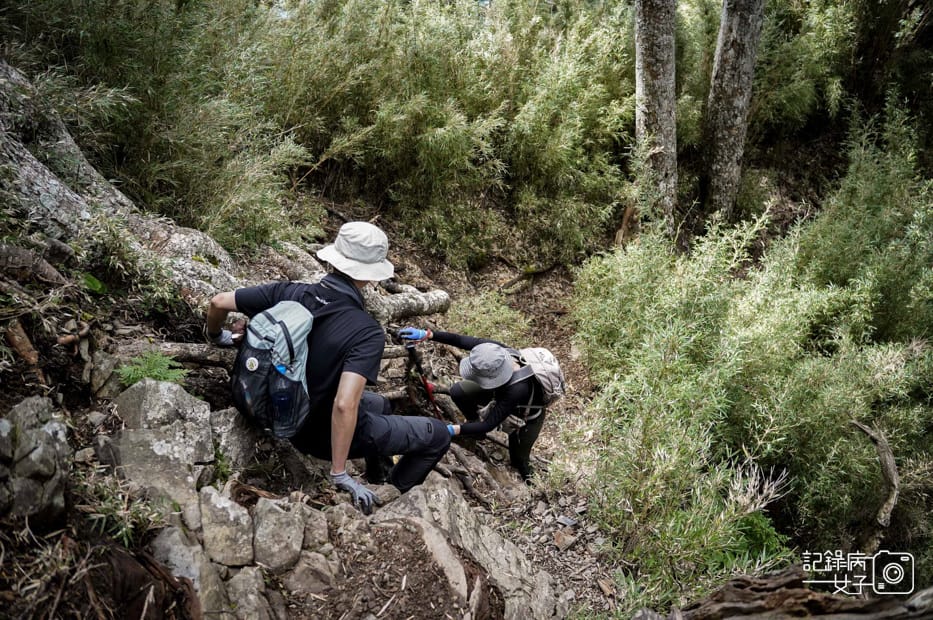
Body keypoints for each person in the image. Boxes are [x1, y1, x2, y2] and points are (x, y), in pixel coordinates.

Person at [206, 222, 451, 514]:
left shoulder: (289, 292)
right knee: (437, 434)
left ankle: (377, 475)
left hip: (273, 403)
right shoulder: (365, 332)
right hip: (313, 435)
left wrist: (216, 336)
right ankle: (389, 502)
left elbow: (218, 302)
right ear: (369, 277)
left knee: (381, 404)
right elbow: (345, 405)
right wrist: (340, 473)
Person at [398, 327, 546, 483]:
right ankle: (475, 430)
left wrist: (451, 429)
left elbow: (489, 424)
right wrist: (428, 334)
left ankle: (533, 484)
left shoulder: (518, 388)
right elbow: (460, 340)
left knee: (519, 459)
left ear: (492, 376)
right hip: (499, 390)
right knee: (458, 391)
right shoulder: (493, 352)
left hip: (528, 414)